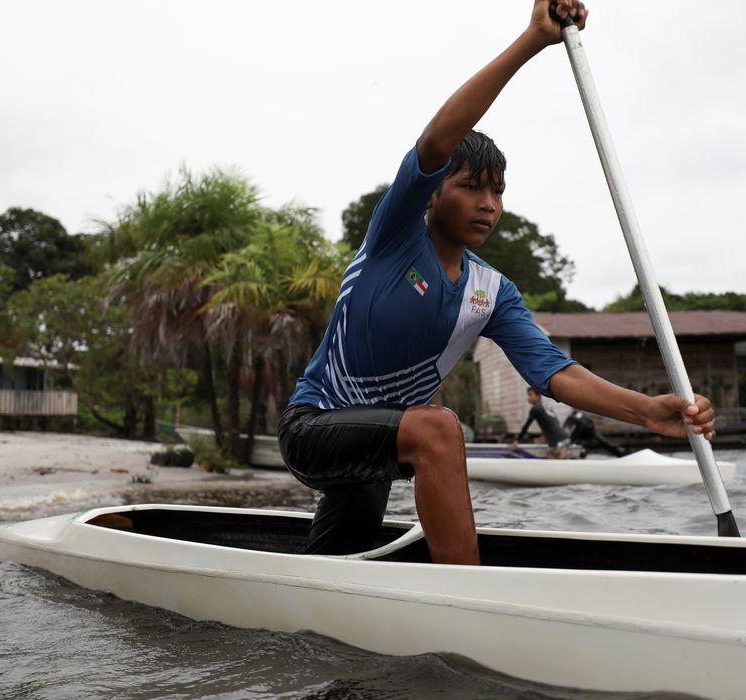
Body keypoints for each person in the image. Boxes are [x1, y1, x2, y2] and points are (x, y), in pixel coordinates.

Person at [278, 0, 716, 566]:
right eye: (471, 188)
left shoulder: (492, 292)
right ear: (433, 193)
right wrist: (533, 41)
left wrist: (648, 412)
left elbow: (554, 373)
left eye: (498, 192)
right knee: (438, 430)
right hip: (314, 426)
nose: (488, 205)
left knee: (334, 564)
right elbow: (436, 143)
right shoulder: (395, 236)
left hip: (379, 444)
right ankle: (471, 597)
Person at [512, 387, 571, 458]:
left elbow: (526, 426)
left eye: (530, 395)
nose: (528, 398)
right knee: (552, 465)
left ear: (538, 396)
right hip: (562, 440)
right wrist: (545, 437)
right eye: (528, 395)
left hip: (559, 443)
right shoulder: (545, 406)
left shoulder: (535, 408)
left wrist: (517, 441)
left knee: (556, 466)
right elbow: (552, 424)